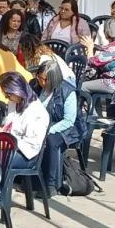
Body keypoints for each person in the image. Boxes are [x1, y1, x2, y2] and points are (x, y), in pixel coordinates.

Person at [33, 60, 81, 192]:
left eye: (43, 79)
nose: (40, 81)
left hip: (66, 128)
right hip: (42, 124)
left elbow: (69, 120)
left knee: (51, 141)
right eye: (38, 77)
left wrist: (49, 130)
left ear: (52, 79)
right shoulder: (37, 87)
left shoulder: (67, 91)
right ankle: (30, 178)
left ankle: (50, 184)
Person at [0, 71, 50, 172]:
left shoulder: (36, 111)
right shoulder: (14, 102)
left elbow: (32, 143)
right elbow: (7, 124)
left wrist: (6, 144)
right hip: (11, 145)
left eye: (8, 94)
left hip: (26, 154)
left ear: (18, 91)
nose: (6, 98)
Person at [80, 19, 115, 95]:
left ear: (106, 33)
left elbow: (91, 62)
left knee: (82, 86)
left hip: (113, 83)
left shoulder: (109, 50)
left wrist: (90, 47)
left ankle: (87, 106)